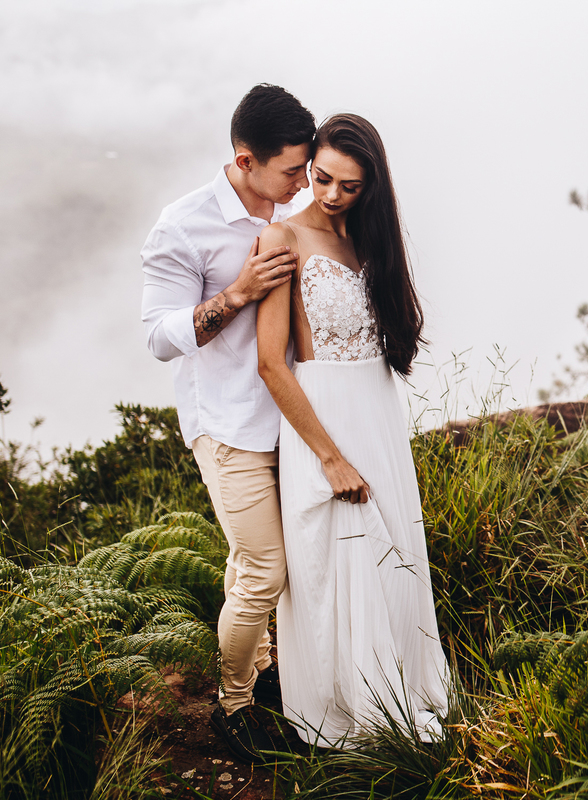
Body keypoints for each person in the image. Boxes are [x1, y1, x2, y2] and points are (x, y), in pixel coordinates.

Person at [256, 113, 451, 746]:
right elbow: (270, 363)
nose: (333, 195)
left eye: (351, 185)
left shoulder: (372, 242)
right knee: (338, 560)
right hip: (324, 415)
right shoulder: (281, 238)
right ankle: (346, 720)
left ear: (372, 186)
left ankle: (406, 696)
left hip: (378, 411)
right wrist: (330, 458)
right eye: (322, 179)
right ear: (309, 166)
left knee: (394, 552)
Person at [140, 84, 314, 763]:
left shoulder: (295, 216)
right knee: (263, 569)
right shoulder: (182, 227)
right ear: (246, 160)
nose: (303, 183)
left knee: (271, 564)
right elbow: (157, 338)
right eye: (292, 170)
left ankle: (268, 675)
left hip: (294, 424)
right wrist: (238, 293)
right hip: (228, 426)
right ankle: (232, 704)